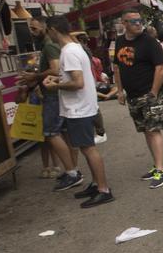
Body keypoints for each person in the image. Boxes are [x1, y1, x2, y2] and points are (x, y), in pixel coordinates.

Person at [42, 17, 113, 208]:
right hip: (81, 106)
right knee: (85, 148)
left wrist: (55, 86)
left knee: (88, 148)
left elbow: (77, 82)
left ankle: (104, 189)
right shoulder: (74, 48)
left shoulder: (69, 51)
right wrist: (58, 80)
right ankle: (97, 184)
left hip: (79, 108)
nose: (47, 35)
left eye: (47, 31)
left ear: (53, 30)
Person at [113, 7, 163, 189]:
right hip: (133, 95)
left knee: (153, 130)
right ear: (124, 24)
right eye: (133, 21)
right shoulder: (120, 41)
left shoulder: (149, 42)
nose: (138, 24)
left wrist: (153, 92)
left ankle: (161, 171)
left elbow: (160, 68)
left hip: (150, 93)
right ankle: (158, 166)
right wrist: (120, 90)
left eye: (140, 21)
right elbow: (117, 67)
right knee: (146, 130)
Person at [19, 15, 73, 182]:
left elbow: (55, 70)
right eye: (31, 28)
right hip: (55, 94)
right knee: (62, 133)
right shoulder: (50, 46)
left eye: (35, 28)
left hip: (52, 95)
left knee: (51, 133)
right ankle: (72, 169)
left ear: (47, 29)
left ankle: (71, 171)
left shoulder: (50, 46)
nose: (32, 32)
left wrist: (35, 76)